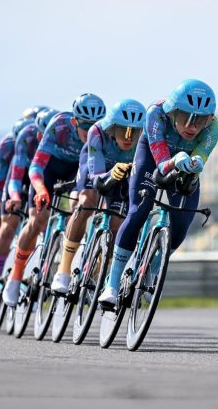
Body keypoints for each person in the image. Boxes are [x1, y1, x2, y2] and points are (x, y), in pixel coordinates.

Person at [98, 79, 218, 306]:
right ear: (172, 112)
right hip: (153, 158)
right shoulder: (155, 114)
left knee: (182, 222)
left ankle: (153, 268)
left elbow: (200, 157)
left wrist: (196, 164)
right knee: (139, 210)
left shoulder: (214, 129)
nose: (192, 127)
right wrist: (174, 161)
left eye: (200, 120)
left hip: (182, 164)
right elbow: (162, 165)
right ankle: (112, 284)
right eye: (186, 118)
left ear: (209, 119)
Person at [1, 94, 106, 307]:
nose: (90, 131)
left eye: (94, 125)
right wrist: (40, 190)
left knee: (82, 205)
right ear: (75, 122)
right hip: (49, 169)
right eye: (85, 126)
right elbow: (36, 166)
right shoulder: (59, 126)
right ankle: (15, 276)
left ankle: (72, 263)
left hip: (75, 170)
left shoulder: (101, 133)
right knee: (38, 219)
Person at [49, 99, 147, 294]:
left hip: (123, 172)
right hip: (96, 167)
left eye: (134, 132)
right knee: (86, 202)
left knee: (118, 222)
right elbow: (96, 179)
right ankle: (63, 270)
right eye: (123, 131)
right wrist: (110, 175)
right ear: (112, 128)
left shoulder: (145, 139)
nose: (129, 137)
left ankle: (101, 271)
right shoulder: (97, 132)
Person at [0, 108, 58, 316]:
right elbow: (4, 179)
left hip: (42, 179)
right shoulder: (18, 140)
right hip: (18, 180)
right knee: (6, 225)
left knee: (43, 222)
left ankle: (35, 276)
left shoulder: (59, 138)